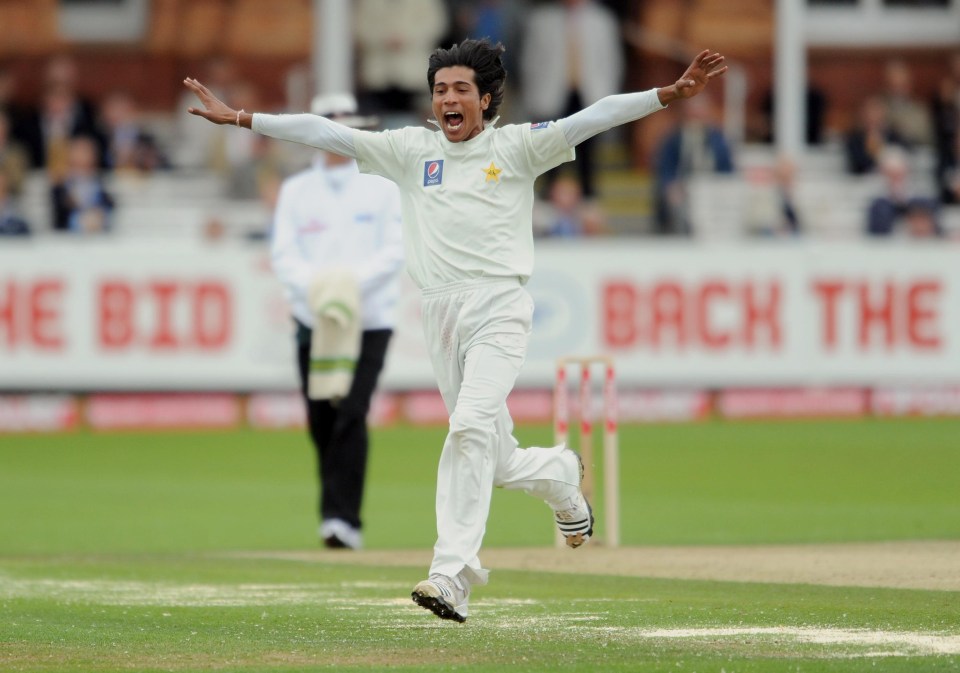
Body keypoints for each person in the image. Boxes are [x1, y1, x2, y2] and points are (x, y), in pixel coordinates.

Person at [184, 38, 727, 623]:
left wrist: (666, 96)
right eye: (440, 89)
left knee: (467, 427)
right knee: (493, 457)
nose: (448, 99)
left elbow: (591, 117)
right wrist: (241, 118)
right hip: (440, 313)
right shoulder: (410, 151)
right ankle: (561, 475)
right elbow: (326, 132)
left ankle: (452, 575)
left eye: (460, 89)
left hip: (499, 307)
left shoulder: (517, 146)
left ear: (486, 98)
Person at [271, 92, 404, 550]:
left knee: (350, 411)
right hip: (315, 316)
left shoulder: (383, 185)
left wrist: (347, 287)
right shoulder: (295, 191)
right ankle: (335, 514)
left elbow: (394, 251)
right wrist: (321, 293)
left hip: (369, 317)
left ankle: (342, 521)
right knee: (320, 418)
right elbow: (285, 254)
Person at [520, 0, 623, 200]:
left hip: (589, 94)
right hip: (553, 94)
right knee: (551, 148)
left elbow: (611, 62)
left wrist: (609, 96)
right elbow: (531, 62)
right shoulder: (542, 20)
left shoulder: (602, 20)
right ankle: (548, 197)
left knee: (588, 150)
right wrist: (533, 96)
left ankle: (588, 198)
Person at [653, 93, 734, 235]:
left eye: (699, 116)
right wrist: (670, 185)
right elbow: (665, 167)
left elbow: (727, 169)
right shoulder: (674, 138)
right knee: (676, 204)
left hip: (711, 190)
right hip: (683, 188)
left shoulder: (718, 140)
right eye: (692, 115)